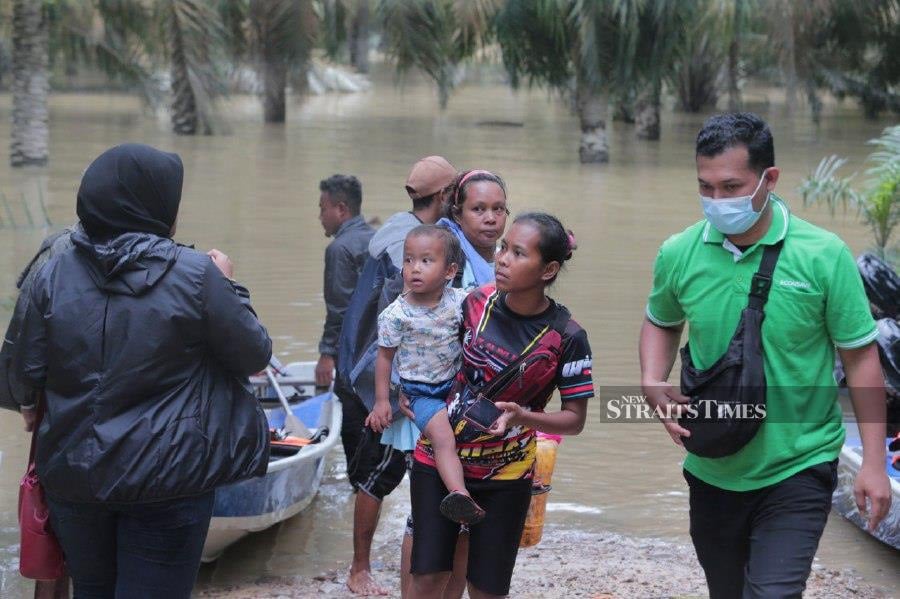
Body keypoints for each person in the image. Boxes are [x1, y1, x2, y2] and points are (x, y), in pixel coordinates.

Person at [639, 112, 891, 598]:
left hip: (799, 462)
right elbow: (660, 320)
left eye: (731, 186)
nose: (716, 201)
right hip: (712, 465)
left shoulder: (823, 255)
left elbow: (861, 359)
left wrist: (874, 464)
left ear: (769, 178)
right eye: (705, 187)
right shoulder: (679, 252)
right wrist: (651, 378)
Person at [15, 143, 272, 598]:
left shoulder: (51, 273)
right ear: (156, 206)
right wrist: (229, 285)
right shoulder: (197, 275)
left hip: (75, 479)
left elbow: (21, 376)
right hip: (168, 480)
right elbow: (253, 355)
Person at [407, 212, 593, 598]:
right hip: (438, 460)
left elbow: (574, 420)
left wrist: (524, 416)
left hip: (506, 476)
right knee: (427, 577)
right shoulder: (474, 302)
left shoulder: (567, 337)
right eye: (504, 248)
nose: (503, 258)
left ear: (549, 269)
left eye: (519, 253)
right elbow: (430, 356)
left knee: (486, 588)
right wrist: (408, 394)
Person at [335, 157, 457, 596]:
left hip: (362, 372)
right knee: (378, 475)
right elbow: (399, 329)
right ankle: (359, 569)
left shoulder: (394, 231)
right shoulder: (410, 248)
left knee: (390, 475)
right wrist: (392, 394)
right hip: (386, 386)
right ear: (445, 195)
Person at [366, 226, 485, 525]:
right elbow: (384, 359)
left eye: (426, 261)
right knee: (443, 438)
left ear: (450, 271)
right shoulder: (396, 315)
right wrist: (382, 402)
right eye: (409, 260)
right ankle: (460, 496)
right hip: (421, 393)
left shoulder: (461, 301)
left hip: (457, 386)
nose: (414, 268)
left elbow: (493, 299)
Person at [1, 225, 82, 599]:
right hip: (128, 410)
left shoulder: (59, 250)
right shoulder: (167, 253)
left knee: (50, 516)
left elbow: (23, 335)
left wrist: (28, 403)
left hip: (61, 406)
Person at [315, 174, 375, 388]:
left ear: (341, 209)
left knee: (350, 415)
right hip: (377, 350)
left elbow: (339, 310)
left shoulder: (339, 249)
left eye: (323, 209)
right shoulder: (376, 239)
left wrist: (327, 354)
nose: (320, 216)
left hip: (352, 351)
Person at [437, 170, 509, 290]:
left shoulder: (509, 262)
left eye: (498, 208)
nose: (490, 219)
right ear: (457, 215)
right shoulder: (445, 264)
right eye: (478, 209)